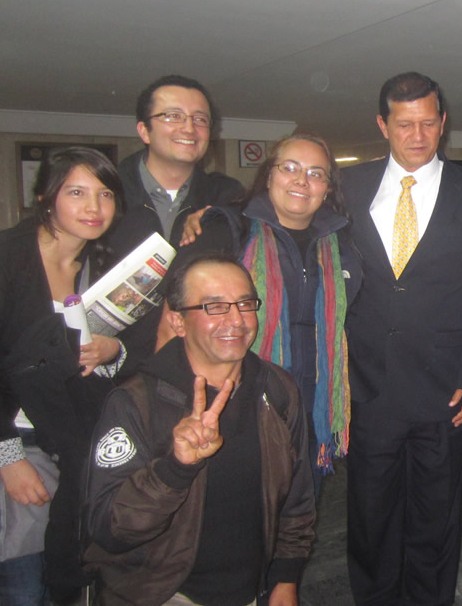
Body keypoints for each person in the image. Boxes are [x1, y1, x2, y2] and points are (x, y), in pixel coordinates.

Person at [340, 72, 462, 605]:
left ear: (443, 122)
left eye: (428, 123)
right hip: (368, 383)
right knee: (370, 514)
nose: (417, 135)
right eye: (405, 124)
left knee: (436, 514)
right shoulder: (346, 188)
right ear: (383, 125)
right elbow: (288, 218)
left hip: (444, 387)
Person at [84, 252, 315, 605]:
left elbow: (297, 498)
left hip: (251, 590)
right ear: (178, 322)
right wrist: (175, 469)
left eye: (245, 304)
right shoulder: (136, 402)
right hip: (163, 593)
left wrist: (286, 576)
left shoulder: (277, 389)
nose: (236, 320)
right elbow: (109, 528)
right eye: (215, 307)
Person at [180, 133, 360, 489]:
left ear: (327, 188)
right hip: (235, 400)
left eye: (316, 173)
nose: (301, 180)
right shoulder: (228, 229)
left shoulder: (341, 242)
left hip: (311, 404)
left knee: (301, 503)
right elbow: (180, 317)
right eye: (289, 168)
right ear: (268, 174)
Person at [0, 147, 123, 604]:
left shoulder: (102, 265)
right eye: (77, 193)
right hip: (16, 438)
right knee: (22, 582)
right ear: (45, 197)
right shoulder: (9, 256)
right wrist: (7, 457)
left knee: (65, 574)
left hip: (73, 442)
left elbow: (119, 354)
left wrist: (114, 350)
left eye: (105, 194)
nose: (94, 207)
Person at [107, 74, 243, 256]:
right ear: (145, 131)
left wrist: (220, 216)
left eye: (200, 119)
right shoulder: (108, 193)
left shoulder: (227, 197)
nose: (189, 128)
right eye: (173, 116)